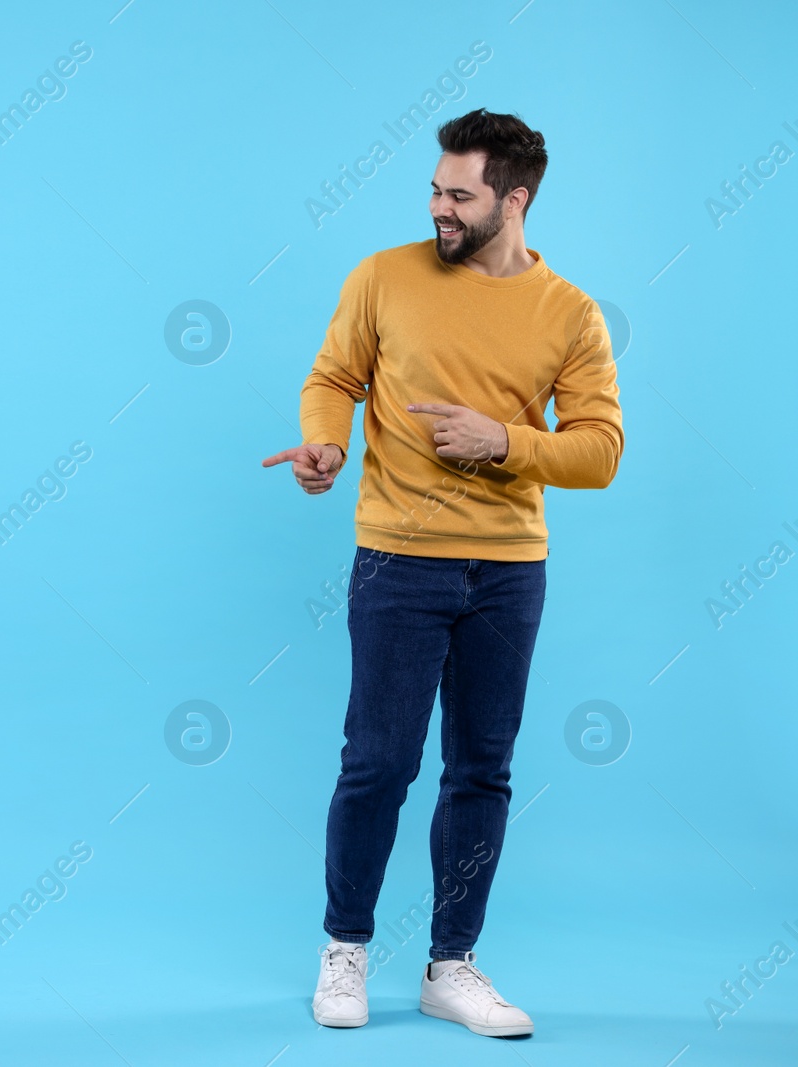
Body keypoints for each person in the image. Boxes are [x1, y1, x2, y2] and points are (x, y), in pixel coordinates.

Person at [262, 108, 624, 1038]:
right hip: (397, 559)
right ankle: (344, 949)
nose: (438, 208)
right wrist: (324, 447)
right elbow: (333, 378)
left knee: (482, 771)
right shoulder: (385, 277)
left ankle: (450, 965)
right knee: (377, 762)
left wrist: (503, 440)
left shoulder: (571, 313)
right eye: (434, 189)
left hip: (509, 572)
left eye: (459, 194)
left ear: (516, 198)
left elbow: (600, 451)